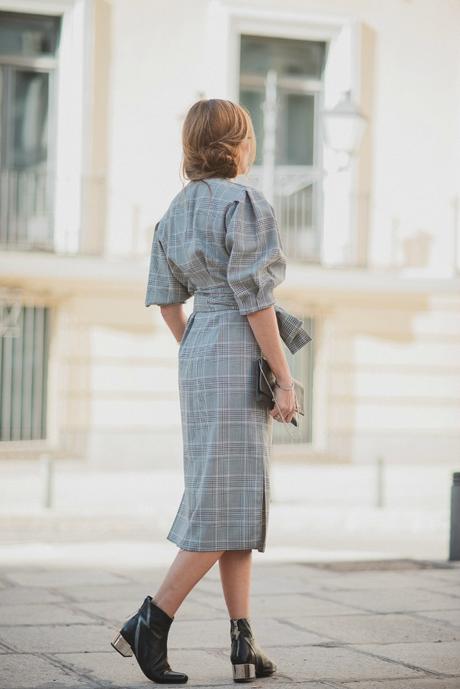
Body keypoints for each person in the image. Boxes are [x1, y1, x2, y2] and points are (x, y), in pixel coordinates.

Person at [111, 98, 311, 684]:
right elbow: (256, 299)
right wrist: (285, 377)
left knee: (232, 497)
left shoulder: (174, 210)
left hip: (200, 347)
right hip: (235, 342)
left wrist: (196, 345)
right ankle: (152, 618)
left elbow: (167, 299)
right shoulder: (244, 202)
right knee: (223, 500)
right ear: (239, 143)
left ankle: (243, 641)